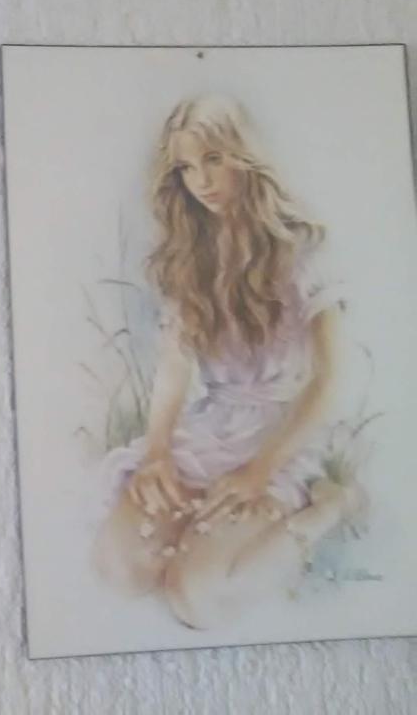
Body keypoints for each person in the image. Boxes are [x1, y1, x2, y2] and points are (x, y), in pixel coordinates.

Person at [92, 95, 365, 630]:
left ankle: (332, 506)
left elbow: (329, 378)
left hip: (283, 433)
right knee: (119, 569)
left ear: (246, 154)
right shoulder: (191, 253)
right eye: (186, 167)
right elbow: (175, 366)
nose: (202, 181)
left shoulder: (302, 247)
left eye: (214, 159)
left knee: (197, 596)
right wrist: (157, 452)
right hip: (213, 424)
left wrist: (261, 469)